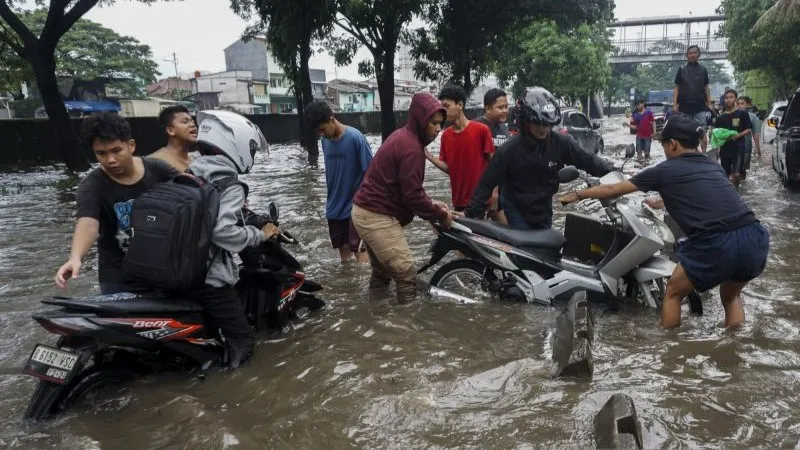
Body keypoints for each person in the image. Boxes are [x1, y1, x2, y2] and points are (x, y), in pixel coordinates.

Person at [558, 114, 769, 329]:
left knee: (673, 293)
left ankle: (670, 346)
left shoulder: (665, 170)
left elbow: (613, 189)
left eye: (664, 144)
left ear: (674, 144)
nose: (665, 150)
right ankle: (735, 342)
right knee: (731, 297)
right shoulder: (712, 165)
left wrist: (578, 194)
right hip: (754, 237)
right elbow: (707, 197)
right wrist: (661, 202)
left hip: (718, 243)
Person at [187, 110, 280, 368]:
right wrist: (259, 234)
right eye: (251, 148)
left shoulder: (191, 173)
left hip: (183, 271)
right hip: (209, 277)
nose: (251, 155)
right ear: (235, 144)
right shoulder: (229, 184)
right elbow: (222, 232)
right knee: (243, 341)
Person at [55, 113, 181, 294]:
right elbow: (88, 223)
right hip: (118, 272)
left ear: (131, 146)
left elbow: (192, 193)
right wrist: (75, 258)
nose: (110, 160)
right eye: (101, 153)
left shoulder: (158, 170)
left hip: (162, 264)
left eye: (116, 151)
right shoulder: (92, 186)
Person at [351, 93, 454, 305]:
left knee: (382, 273)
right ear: (420, 120)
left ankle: (375, 314)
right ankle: (405, 323)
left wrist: (432, 205)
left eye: (440, 124)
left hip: (364, 212)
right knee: (406, 276)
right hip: (376, 216)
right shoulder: (411, 148)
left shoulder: (403, 136)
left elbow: (408, 189)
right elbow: (413, 195)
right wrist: (439, 214)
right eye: (433, 123)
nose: (437, 129)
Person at [464, 87, 614, 230]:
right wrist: (470, 216)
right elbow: (486, 184)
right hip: (516, 207)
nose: (543, 128)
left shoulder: (561, 143)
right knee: (528, 245)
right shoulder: (508, 150)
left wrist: (612, 171)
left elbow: (587, 161)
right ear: (525, 121)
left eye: (547, 124)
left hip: (543, 206)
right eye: (537, 123)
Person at [306, 100, 373, 263]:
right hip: (334, 208)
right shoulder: (325, 141)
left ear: (332, 120)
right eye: (318, 132)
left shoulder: (356, 138)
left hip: (356, 208)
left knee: (360, 254)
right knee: (345, 260)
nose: (321, 134)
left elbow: (372, 173)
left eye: (323, 129)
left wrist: (367, 204)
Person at [424, 85, 495, 213]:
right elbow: (450, 168)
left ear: (460, 105)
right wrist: (428, 156)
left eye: (447, 106)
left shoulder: (481, 130)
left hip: (481, 201)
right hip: (459, 201)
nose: (443, 111)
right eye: (441, 107)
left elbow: (494, 164)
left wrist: (495, 195)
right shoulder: (446, 135)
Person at [475, 88, 511, 224]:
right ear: (488, 108)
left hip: (501, 191)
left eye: (506, 106)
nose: (505, 110)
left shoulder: (504, 128)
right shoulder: (477, 126)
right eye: (500, 107)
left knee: (506, 231)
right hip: (481, 191)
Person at [673, 45, 714, 152]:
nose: (692, 55)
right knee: (684, 131)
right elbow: (677, 87)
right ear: (687, 56)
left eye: (694, 53)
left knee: (701, 130)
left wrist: (709, 103)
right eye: (690, 53)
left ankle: (704, 154)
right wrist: (674, 104)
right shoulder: (681, 69)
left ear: (698, 55)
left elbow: (706, 87)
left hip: (700, 106)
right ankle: (688, 153)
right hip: (684, 106)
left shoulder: (703, 70)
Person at [715, 89, 752, 186]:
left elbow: (748, 129)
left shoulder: (742, 113)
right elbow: (718, 134)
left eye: (731, 97)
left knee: (736, 174)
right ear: (724, 100)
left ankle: (736, 190)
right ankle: (728, 192)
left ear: (735, 99)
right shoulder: (720, 117)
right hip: (725, 148)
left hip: (738, 148)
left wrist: (738, 135)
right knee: (725, 174)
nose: (728, 99)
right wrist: (718, 149)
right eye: (726, 98)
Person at [149, 105, 197, 172]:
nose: (192, 125)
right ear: (170, 131)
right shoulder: (155, 162)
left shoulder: (195, 161)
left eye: (192, 121)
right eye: (185, 122)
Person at [737, 96, 762, 179]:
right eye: (738, 104)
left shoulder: (753, 117)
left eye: (742, 103)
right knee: (735, 171)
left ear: (747, 105)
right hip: (734, 148)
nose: (740, 105)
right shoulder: (733, 116)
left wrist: (758, 150)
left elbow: (755, 134)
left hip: (746, 148)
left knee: (742, 171)